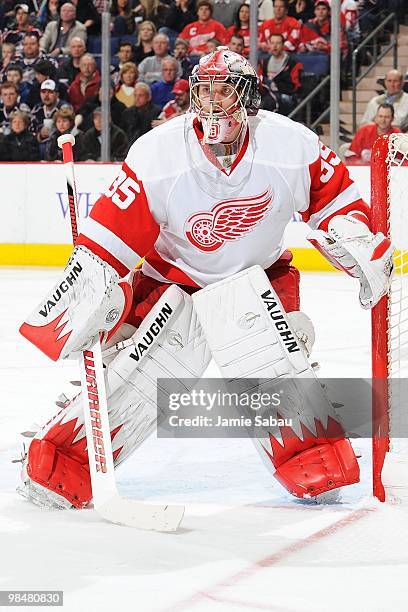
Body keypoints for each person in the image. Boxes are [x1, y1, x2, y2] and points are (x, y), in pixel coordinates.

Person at [19, 46, 393, 511]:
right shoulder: (159, 152)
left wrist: (351, 236)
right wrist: (92, 287)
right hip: (172, 282)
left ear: (249, 98)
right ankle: (65, 458)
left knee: (275, 365)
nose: (214, 103)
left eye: (224, 92)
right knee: (136, 374)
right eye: (205, 92)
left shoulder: (289, 143)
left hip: (262, 279)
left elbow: (333, 199)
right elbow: (111, 236)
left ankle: (314, 458)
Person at [260, 32, 303, 115]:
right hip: (268, 94)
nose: (275, 46)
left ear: (283, 45)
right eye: (272, 43)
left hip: (285, 95)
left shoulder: (293, 62)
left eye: (278, 43)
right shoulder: (264, 62)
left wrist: (276, 86)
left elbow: (295, 86)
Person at [121, 81, 161, 145]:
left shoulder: (157, 112)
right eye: (135, 95)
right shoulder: (127, 113)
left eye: (141, 95)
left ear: (149, 97)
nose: (137, 98)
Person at [31, 78, 64, 143]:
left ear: (57, 94)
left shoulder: (64, 108)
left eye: (50, 92)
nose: (46, 95)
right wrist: (40, 135)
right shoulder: (37, 109)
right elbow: (31, 131)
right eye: (43, 92)